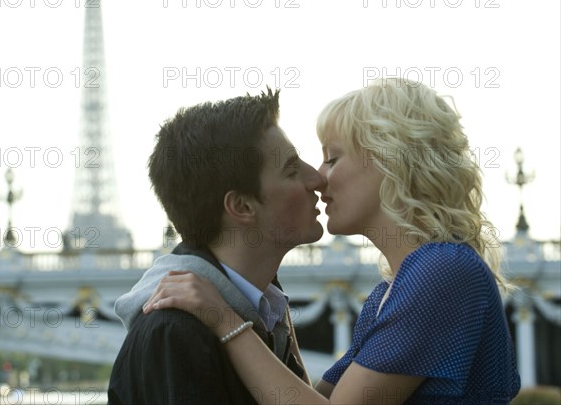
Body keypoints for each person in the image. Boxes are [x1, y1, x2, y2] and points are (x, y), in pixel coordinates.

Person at [145, 79, 521, 404]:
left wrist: (224, 319)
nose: (319, 178)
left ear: (392, 164)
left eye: (332, 159)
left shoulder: (442, 271)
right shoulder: (392, 292)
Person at [107, 89, 325, 404]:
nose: (316, 178)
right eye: (292, 171)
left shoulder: (264, 307)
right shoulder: (173, 333)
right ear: (242, 206)